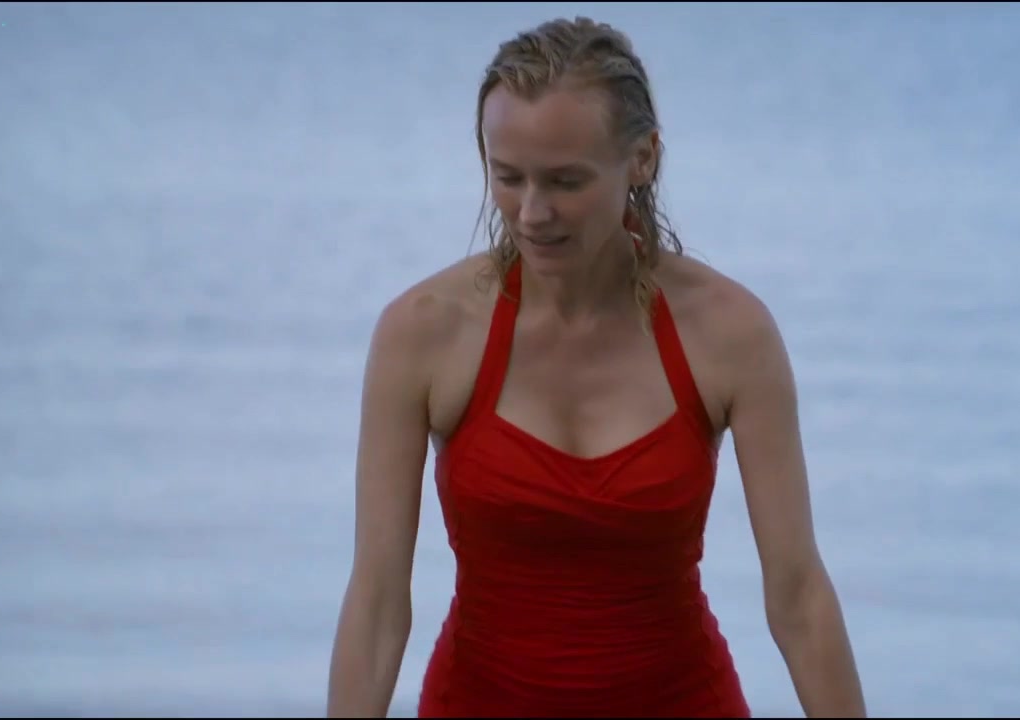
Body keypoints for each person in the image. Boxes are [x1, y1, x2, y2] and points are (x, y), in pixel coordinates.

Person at [326, 15, 867, 719]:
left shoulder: (730, 333)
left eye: (565, 181)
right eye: (507, 177)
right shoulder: (423, 332)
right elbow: (376, 604)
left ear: (642, 159)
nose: (532, 212)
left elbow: (798, 595)